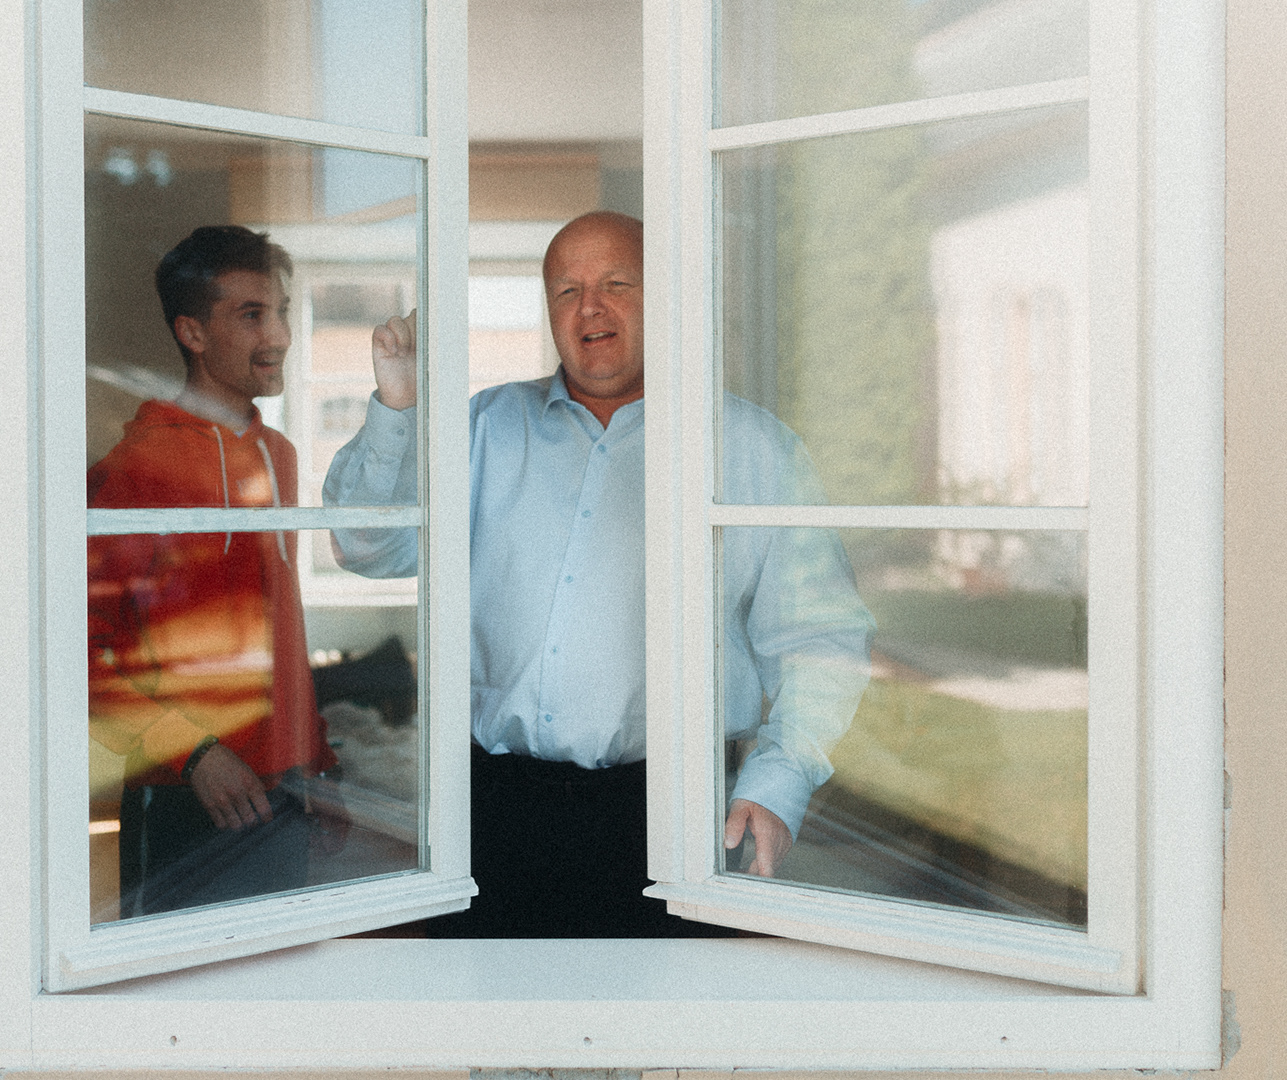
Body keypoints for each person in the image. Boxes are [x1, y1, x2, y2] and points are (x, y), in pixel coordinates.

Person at [323, 211, 874, 936]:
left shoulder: (753, 450)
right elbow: (366, 547)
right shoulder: (481, 430)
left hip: (684, 819)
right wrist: (399, 405)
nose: (590, 308)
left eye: (617, 284)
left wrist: (779, 780)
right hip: (493, 814)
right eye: (567, 290)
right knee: (489, 1005)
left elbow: (820, 639)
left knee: (677, 1009)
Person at [87, 225, 343, 918]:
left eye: (281, 310)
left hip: (286, 792)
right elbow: (80, 652)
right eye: (252, 315)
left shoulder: (280, 455)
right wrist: (192, 752)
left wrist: (318, 759)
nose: (280, 335)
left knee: (278, 981)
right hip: (184, 793)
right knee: (180, 988)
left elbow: (283, 622)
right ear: (192, 333)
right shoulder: (134, 469)